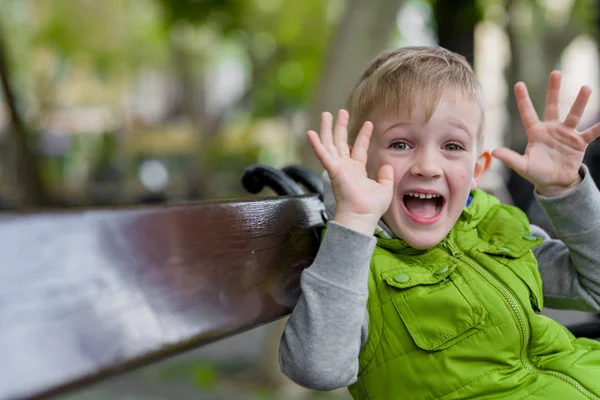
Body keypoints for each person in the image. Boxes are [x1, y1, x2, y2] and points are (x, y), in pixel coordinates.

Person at [278, 46, 600, 399]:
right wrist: (354, 220)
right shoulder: (353, 261)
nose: (428, 166)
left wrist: (566, 191)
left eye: (452, 146)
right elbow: (317, 370)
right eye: (400, 144)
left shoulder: (493, 228)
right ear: (360, 163)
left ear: (476, 170)